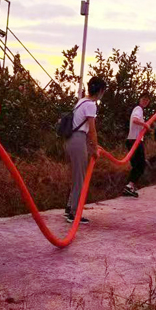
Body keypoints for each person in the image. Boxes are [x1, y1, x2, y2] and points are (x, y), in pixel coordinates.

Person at [65, 77, 107, 224]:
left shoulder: (81, 101)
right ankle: (74, 213)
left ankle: (70, 207)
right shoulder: (91, 105)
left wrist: (91, 147)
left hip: (73, 139)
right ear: (101, 91)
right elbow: (92, 131)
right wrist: (95, 149)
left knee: (77, 176)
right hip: (78, 139)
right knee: (80, 178)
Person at [123, 92, 151, 198]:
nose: (145, 102)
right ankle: (129, 186)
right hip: (135, 141)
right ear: (140, 99)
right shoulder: (138, 109)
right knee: (140, 165)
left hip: (133, 140)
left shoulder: (139, 110)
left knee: (137, 165)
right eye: (144, 99)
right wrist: (145, 124)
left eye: (147, 100)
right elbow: (135, 120)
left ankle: (129, 186)